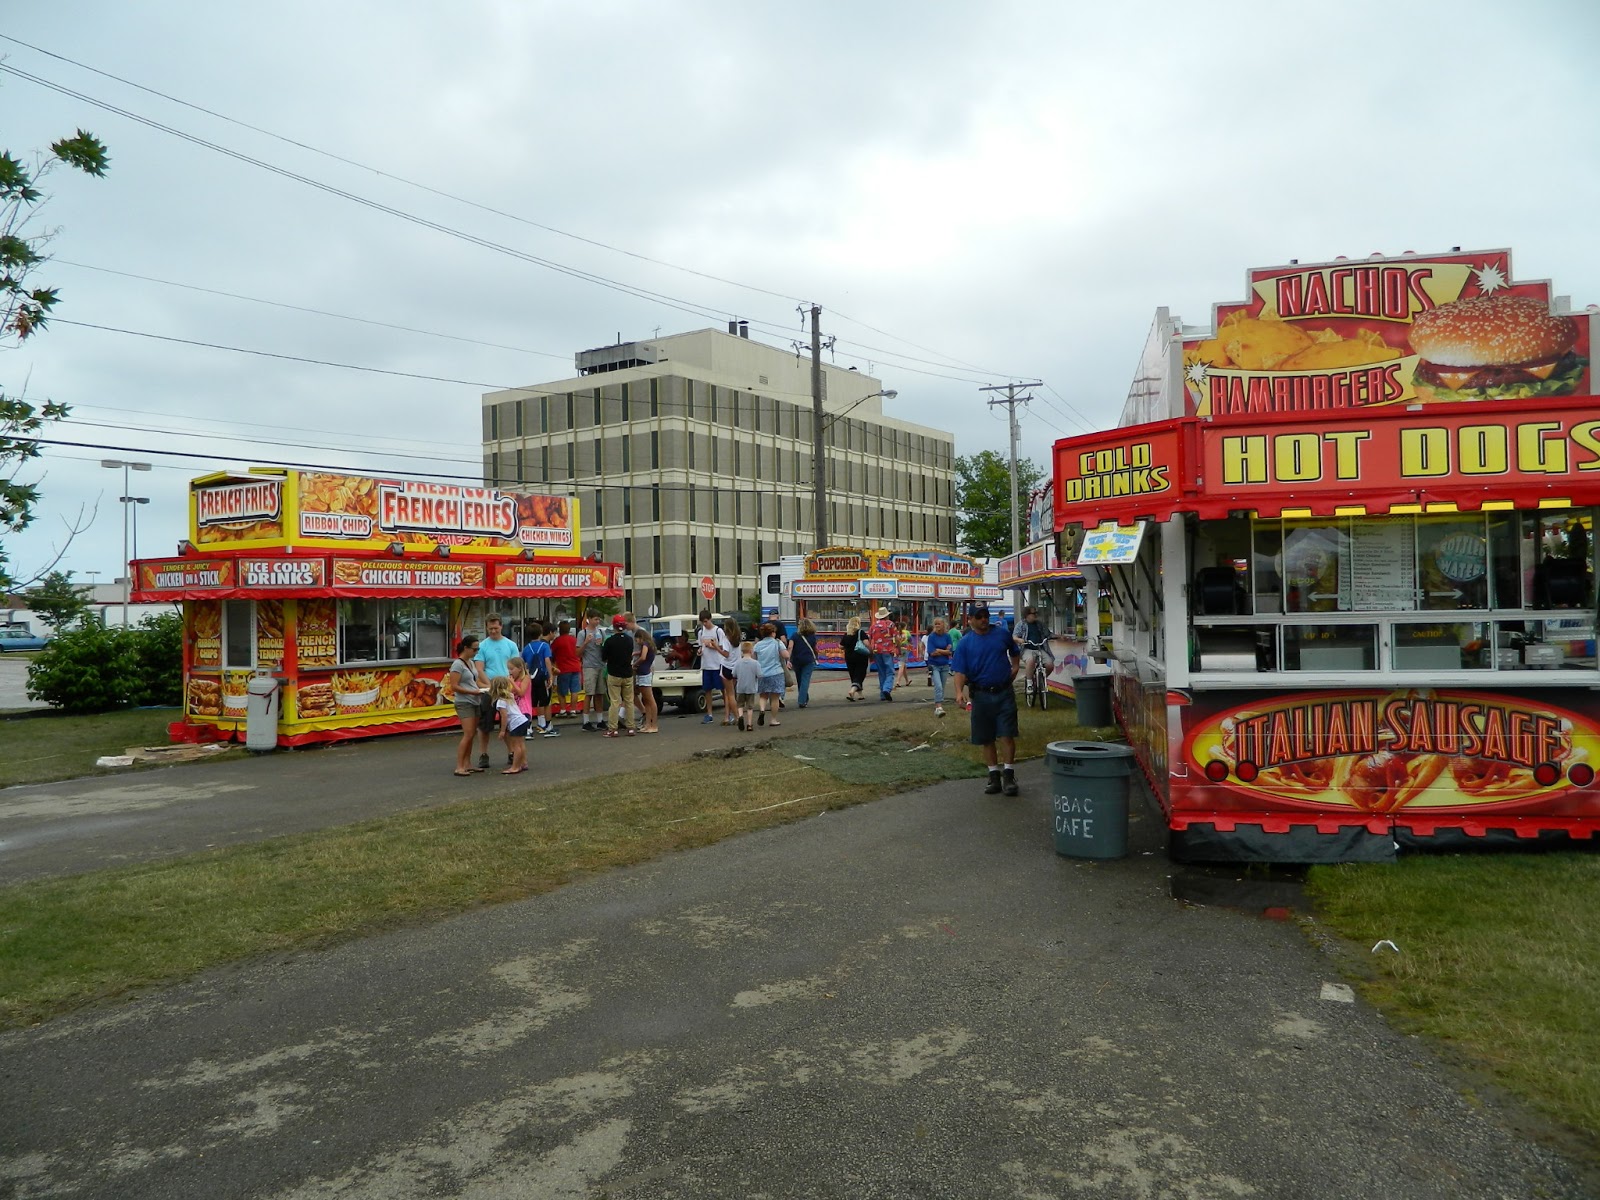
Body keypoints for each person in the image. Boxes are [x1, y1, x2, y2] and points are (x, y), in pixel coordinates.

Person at [951, 602, 1023, 796]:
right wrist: (959, 692)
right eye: (979, 616)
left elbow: (1015, 654)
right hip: (980, 695)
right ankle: (993, 776)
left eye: (985, 615)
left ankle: (1008, 775)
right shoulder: (966, 642)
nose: (984, 620)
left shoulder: (1001, 634)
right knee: (986, 737)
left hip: (1003, 692)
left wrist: (1014, 669)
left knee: (1006, 734)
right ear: (971, 619)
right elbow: (959, 670)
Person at [474, 614, 520, 768]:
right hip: (488, 689)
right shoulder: (482, 646)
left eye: (496, 628)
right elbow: (479, 668)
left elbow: (516, 667)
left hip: (506, 689)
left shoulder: (510, 645)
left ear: (501, 626)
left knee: (507, 723)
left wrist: (511, 683)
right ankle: (483, 754)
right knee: (484, 724)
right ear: (486, 628)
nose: (493, 631)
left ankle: (512, 752)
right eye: (490, 628)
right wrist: (490, 685)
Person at [448, 635, 486, 776]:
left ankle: (468, 763)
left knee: (472, 734)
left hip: (475, 700)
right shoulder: (457, 664)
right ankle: (459, 766)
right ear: (466, 648)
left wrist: (487, 687)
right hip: (464, 702)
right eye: (474, 649)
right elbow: (454, 686)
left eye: (478, 649)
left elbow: (474, 681)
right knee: (468, 734)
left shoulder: (470, 663)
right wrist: (472, 692)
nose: (476, 652)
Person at [695, 610, 734, 725]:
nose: (704, 624)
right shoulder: (701, 632)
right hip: (706, 665)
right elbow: (700, 646)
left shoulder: (718, 631)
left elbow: (722, 646)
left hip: (717, 664)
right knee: (707, 690)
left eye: (706, 621)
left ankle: (728, 713)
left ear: (710, 619)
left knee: (724, 690)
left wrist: (712, 646)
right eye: (702, 622)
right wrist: (700, 651)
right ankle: (709, 714)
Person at [601, 614, 637, 738]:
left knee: (615, 702)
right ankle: (631, 727)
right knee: (629, 701)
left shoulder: (610, 641)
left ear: (614, 626)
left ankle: (613, 729)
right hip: (627, 673)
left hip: (614, 673)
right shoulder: (629, 640)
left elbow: (604, 658)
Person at [521, 622, 558, 737]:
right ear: (541, 633)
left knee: (530, 703)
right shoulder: (544, 646)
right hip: (543, 677)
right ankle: (547, 726)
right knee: (546, 702)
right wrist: (550, 676)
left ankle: (528, 728)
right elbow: (547, 661)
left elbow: (524, 664)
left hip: (531, 678)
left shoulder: (526, 648)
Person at [488, 676, 529, 773]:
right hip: (522, 720)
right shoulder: (510, 695)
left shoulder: (501, 702)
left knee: (516, 746)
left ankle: (515, 767)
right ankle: (523, 762)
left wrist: (502, 730)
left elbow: (504, 716)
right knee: (521, 744)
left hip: (516, 723)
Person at [1014, 607, 1053, 702]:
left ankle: (1040, 681)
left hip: (1040, 648)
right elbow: (1014, 636)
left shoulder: (1040, 624)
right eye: (1033, 613)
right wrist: (1020, 640)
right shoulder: (1021, 625)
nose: (1035, 615)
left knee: (1050, 665)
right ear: (1027, 615)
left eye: (1036, 613)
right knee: (1030, 660)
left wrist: (1059, 637)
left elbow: (1048, 634)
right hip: (1027, 649)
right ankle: (1030, 683)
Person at [753, 622, 788, 726]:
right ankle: (773, 719)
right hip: (776, 673)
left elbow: (753, 659)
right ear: (773, 633)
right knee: (775, 698)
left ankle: (762, 710)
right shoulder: (777, 643)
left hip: (762, 674)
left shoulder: (758, 645)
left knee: (763, 696)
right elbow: (786, 655)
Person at [577, 612, 606, 732]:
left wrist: (602, 645)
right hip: (589, 666)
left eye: (598, 619)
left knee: (600, 693)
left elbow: (605, 649)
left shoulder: (601, 632)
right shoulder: (582, 633)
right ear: (589, 619)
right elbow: (577, 653)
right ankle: (586, 721)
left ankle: (600, 720)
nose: (597, 622)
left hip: (600, 665)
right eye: (595, 619)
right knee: (589, 693)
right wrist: (586, 642)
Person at [550, 619, 582, 720]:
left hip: (563, 668)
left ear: (560, 630)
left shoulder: (557, 641)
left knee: (561, 691)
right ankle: (573, 710)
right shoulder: (574, 639)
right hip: (575, 667)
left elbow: (551, 654)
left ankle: (563, 710)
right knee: (574, 690)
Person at [925, 617, 954, 717]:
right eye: (935, 624)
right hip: (934, 665)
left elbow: (950, 651)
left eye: (939, 624)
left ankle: (939, 703)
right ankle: (938, 707)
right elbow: (932, 652)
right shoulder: (931, 637)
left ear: (943, 625)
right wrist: (944, 651)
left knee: (942, 686)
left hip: (945, 664)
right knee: (938, 686)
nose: (937, 626)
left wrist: (940, 650)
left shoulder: (947, 636)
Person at [868, 606, 899, 701]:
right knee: (890, 671)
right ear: (887, 616)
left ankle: (882, 694)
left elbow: (870, 638)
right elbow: (896, 637)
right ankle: (887, 689)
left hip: (877, 651)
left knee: (881, 673)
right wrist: (897, 647)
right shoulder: (890, 624)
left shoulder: (873, 625)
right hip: (887, 650)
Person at [633, 627, 659, 734]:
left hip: (644, 673)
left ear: (640, 638)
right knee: (646, 701)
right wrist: (636, 654)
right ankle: (648, 724)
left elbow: (643, 657)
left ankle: (654, 724)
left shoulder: (645, 645)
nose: (636, 642)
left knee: (650, 700)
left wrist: (635, 664)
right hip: (642, 673)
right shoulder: (649, 645)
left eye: (637, 640)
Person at [732, 640, 762, 731]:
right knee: (750, 707)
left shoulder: (738, 663)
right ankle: (749, 724)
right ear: (751, 651)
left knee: (740, 705)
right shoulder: (755, 663)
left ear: (742, 651)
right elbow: (760, 674)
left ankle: (740, 716)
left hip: (740, 687)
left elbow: (733, 674)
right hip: (751, 687)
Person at [791, 619, 819, 708]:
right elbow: (815, 648)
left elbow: (790, 647)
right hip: (808, 660)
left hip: (796, 660)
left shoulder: (794, 635)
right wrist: (816, 657)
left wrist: (788, 659)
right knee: (805, 680)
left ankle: (803, 699)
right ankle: (802, 700)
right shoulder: (812, 636)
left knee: (800, 680)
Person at [720, 618, 743, 725]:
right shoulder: (737, 638)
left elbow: (726, 654)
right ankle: (730, 716)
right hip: (736, 667)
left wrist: (716, 647)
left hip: (727, 667)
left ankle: (737, 717)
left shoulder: (726, 638)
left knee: (729, 694)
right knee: (732, 692)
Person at [843, 616, 870, 700]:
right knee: (860, 674)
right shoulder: (860, 632)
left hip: (849, 657)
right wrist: (871, 651)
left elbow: (840, 646)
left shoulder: (846, 634)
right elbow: (867, 643)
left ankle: (860, 695)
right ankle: (852, 690)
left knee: (853, 675)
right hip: (860, 656)